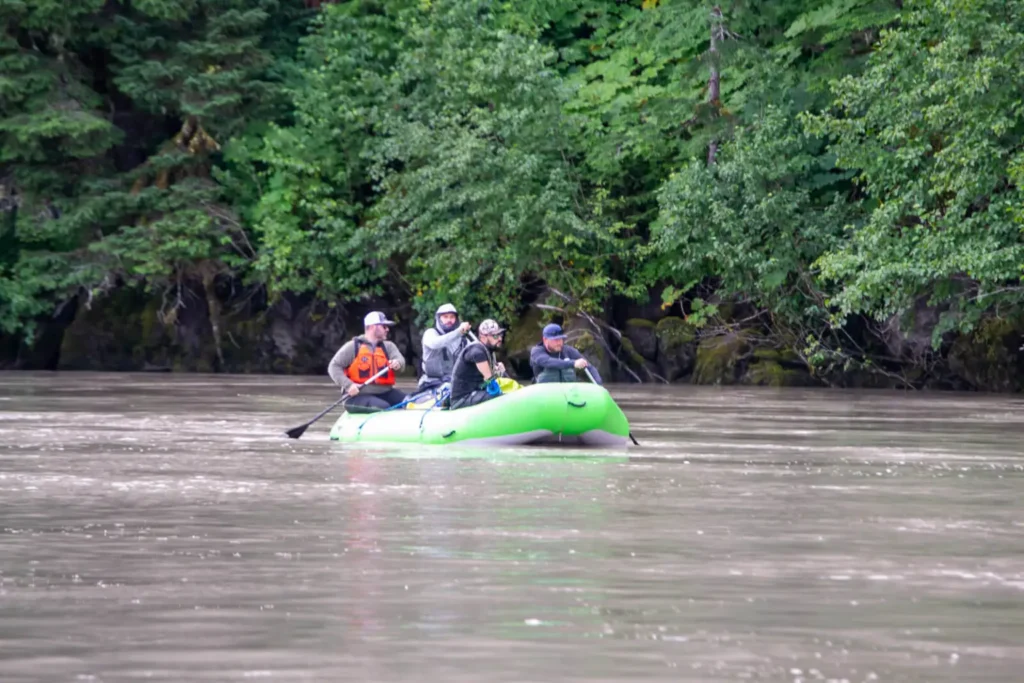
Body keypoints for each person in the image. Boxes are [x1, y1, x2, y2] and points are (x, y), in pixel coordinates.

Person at [327, 311, 407, 409]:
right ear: (373, 327)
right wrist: (349, 385)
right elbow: (334, 366)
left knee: (409, 402)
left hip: (385, 392)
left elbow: (400, 360)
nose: (387, 329)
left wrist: (397, 363)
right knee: (382, 406)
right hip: (357, 396)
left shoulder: (389, 346)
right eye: (384, 326)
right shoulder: (353, 347)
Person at [449, 319, 506, 410]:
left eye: (500, 335)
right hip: (462, 399)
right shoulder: (478, 352)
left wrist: (499, 372)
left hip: (476, 392)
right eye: (495, 336)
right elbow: (489, 381)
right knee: (499, 397)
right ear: (483, 337)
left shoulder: (488, 351)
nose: (499, 338)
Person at [418, 303, 472, 392]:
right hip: (430, 383)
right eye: (445, 317)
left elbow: (475, 351)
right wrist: (459, 332)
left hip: (454, 382)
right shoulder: (430, 333)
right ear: (439, 319)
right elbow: (436, 343)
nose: (449, 320)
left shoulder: (461, 338)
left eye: (452, 317)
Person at [530, 323, 603, 384]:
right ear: (545, 340)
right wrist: (573, 363)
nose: (559, 342)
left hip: (568, 392)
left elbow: (589, 367)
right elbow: (547, 362)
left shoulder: (568, 350)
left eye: (560, 339)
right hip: (545, 392)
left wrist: (598, 383)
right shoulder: (537, 351)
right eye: (555, 340)